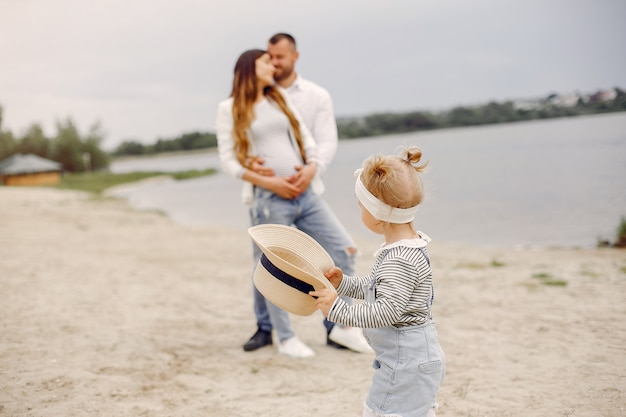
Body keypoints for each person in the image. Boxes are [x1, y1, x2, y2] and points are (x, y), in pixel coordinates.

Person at [215, 49, 366, 358]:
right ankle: (285, 338)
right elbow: (228, 160)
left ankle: (341, 325)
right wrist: (270, 182)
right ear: (249, 68)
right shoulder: (229, 108)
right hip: (270, 199)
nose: (273, 65)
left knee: (344, 250)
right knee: (275, 269)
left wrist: (311, 167)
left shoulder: (280, 99)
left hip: (306, 193)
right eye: (266, 61)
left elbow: (307, 139)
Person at [310, 147, 445, 416]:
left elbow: (386, 311)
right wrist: (344, 283)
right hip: (411, 358)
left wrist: (338, 309)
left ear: (375, 211)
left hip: (406, 361)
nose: (360, 210)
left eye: (361, 205)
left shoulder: (399, 259)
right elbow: (378, 288)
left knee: (381, 411)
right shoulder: (406, 248)